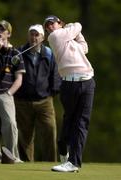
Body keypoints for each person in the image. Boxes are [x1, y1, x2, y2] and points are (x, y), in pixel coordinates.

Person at [44, 15, 95, 172]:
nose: (50, 27)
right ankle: (63, 144)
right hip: (69, 84)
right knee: (70, 121)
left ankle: (73, 162)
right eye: (47, 26)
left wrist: (74, 32)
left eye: (53, 23)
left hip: (87, 82)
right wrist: (72, 26)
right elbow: (78, 25)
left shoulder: (69, 40)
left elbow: (84, 47)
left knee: (81, 123)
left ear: (59, 23)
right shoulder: (55, 37)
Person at [15, 24, 61, 162]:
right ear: (28, 35)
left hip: (44, 101)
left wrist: (53, 92)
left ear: (42, 37)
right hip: (23, 101)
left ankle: (50, 163)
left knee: (49, 131)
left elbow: (56, 74)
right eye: (31, 34)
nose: (34, 38)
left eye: (37, 35)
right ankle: (27, 165)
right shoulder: (19, 52)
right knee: (25, 137)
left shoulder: (49, 53)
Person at [0, 20, 25, 163]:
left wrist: (9, 93)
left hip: (5, 93)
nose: (0, 31)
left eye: (3, 29)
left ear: (9, 34)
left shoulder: (16, 53)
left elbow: (19, 79)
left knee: (10, 124)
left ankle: (13, 156)